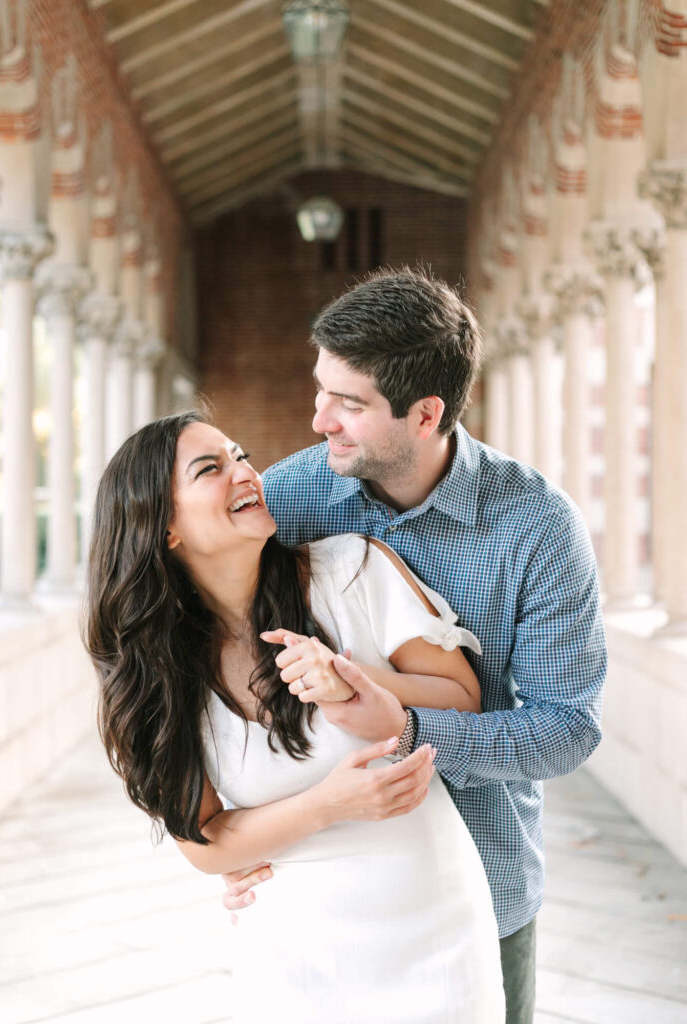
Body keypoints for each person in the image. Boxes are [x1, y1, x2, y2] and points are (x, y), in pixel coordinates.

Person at [224, 268, 607, 1024]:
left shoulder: (538, 528)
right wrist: (223, 835)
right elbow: (213, 657)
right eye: (320, 389)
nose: (319, 420)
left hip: (484, 878)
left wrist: (407, 728)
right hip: (320, 896)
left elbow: (567, 727)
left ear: (426, 412)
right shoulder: (289, 501)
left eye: (350, 403)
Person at [85, 410, 506, 1024]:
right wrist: (331, 804)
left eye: (240, 454)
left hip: (434, 929)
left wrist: (353, 680)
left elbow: (462, 696)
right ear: (164, 527)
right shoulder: (159, 672)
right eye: (211, 469)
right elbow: (204, 841)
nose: (245, 473)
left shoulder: (352, 569)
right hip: (291, 953)